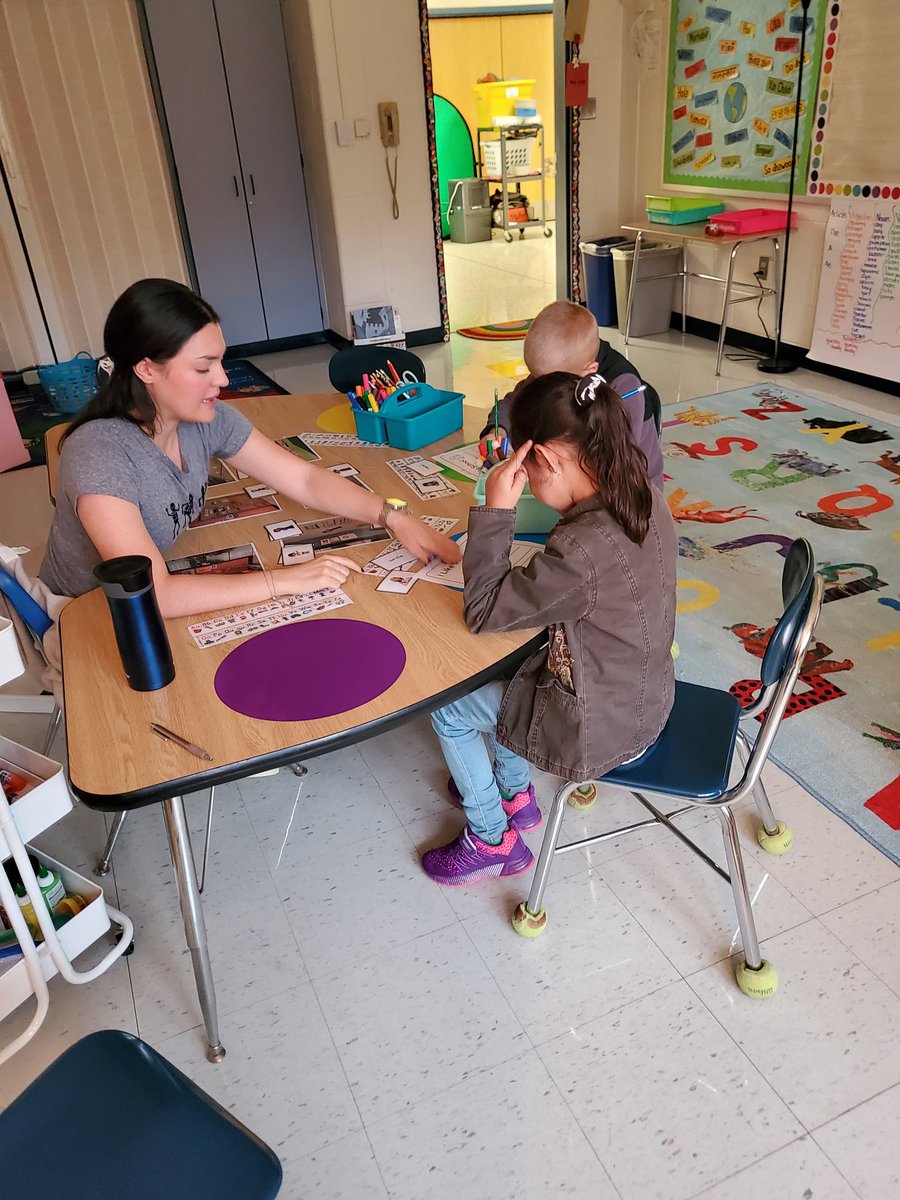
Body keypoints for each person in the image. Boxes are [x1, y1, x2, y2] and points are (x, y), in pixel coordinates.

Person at [40, 279, 459, 614]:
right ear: (147, 368)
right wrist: (281, 581)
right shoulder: (100, 455)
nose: (223, 380)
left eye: (221, 361)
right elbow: (156, 594)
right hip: (88, 615)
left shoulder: (204, 418)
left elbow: (305, 479)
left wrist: (392, 516)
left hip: (151, 599)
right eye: (203, 367)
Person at [422, 371, 677, 885]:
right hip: (645, 700)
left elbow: (483, 611)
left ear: (548, 460)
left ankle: (491, 838)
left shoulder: (582, 550)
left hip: (600, 731)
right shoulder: (646, 494)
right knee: (514, 673)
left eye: (526, 469)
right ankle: (517, 794)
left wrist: (496, 510)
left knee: (449, 710)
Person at [478, 299, 664, 490]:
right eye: (536, 377)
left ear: (589, 371)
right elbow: (513, 403)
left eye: (547, 382)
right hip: (572, 478)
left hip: (631, 492)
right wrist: (497, 430)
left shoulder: (623, 387)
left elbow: (619, 462)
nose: (540, 386)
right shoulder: (564, 365)